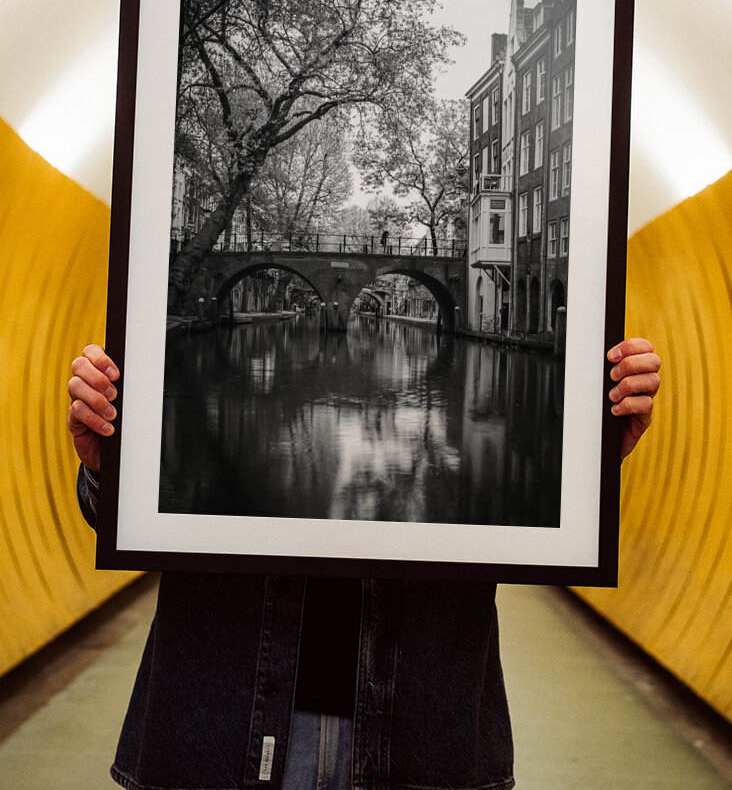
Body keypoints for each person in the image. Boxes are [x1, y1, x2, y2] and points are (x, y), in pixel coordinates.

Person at [68, 338, 660, 790]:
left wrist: (580, 463)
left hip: (423, 737)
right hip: (217, 727)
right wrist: (109, 469)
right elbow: (121, 518)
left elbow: (522, 515)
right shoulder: (300, 436)